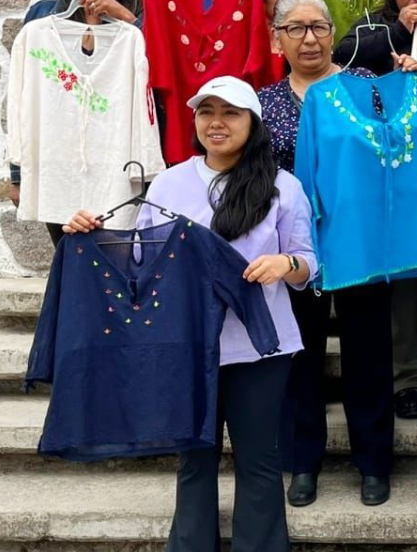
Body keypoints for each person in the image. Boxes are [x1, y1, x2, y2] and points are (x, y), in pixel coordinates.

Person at [62, 76, 314, 552]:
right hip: (184, 345)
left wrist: (286, 265)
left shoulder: (282, 187)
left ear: (252, 121)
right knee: (195, 460)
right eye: (206, 112)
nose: (216, 123)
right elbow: (138, 264)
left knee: (259, 459)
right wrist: (91, 233)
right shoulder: (170, 182)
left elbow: (307, 264)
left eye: (230, 113)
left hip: (261, 348)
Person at [251, 0, 414, 506]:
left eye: (319, 27)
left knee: (368, 352)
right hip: (291, 248)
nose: (309, 38)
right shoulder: (262, 102)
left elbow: (397, 141)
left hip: (360, 243)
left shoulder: (364, 87)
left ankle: (374, 463)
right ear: (277, 40)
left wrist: (411, 81)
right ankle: (303, 461)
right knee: (300, 356)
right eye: (295, 29)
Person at [11, 0, 144, 214]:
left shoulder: (144, 18)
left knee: (116, 250)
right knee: (67, 253)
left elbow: (157, 72)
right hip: (56, 166)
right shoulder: (42, 18)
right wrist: (19, 174)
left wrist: (123, 17)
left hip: (119, 159)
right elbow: (23, 98)